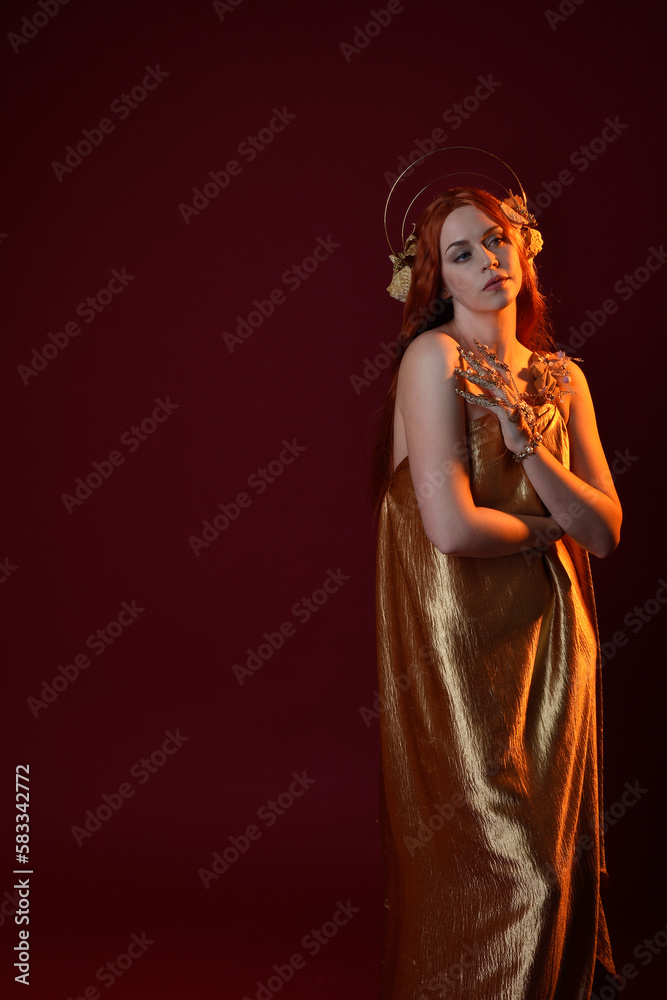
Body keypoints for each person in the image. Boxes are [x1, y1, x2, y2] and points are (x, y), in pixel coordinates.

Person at [369, 180, 622, 999]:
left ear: (524, 248)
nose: (486, 260)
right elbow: (449, 528)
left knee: (552, 857)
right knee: (497, 859)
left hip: (550, 631)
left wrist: (530, 450)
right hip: (456, 631)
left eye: (497, 240)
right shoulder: (433, 358)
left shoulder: (561, 377)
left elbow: (605, 531)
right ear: (434, 279)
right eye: (460, 252)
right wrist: (550, 528)